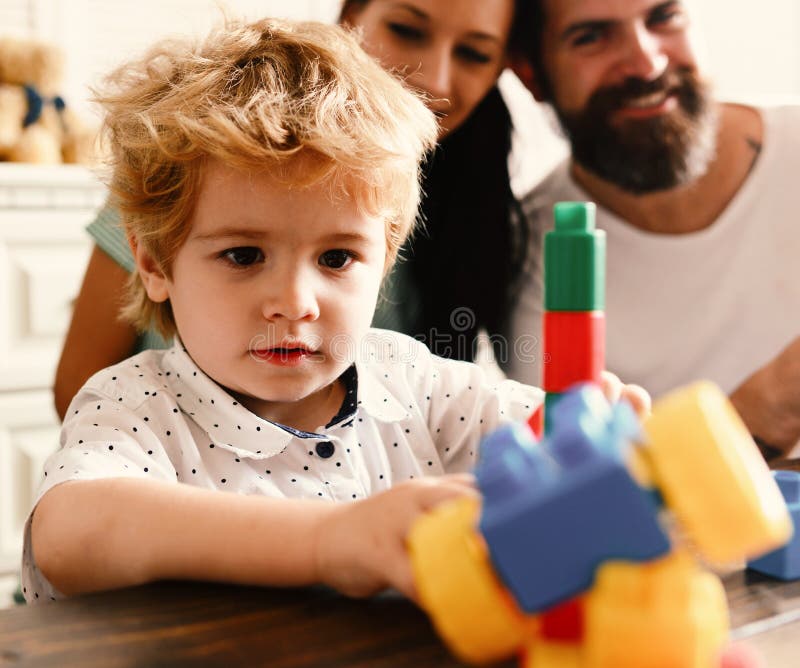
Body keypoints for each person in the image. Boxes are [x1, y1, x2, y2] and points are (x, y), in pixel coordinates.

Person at [21, 17, 553, 604]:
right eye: (244, 255)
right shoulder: (136, 406)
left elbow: (541, 436)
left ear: (384, 259)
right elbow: (69, 538)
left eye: (337, 257)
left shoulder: (414, 381)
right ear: (153, 263)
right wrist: (329, 540)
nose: (295, 303)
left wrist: (597, 427)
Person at [53, 0, 564, 421]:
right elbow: (80, 391)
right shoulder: (191, 161)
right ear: (350, 19)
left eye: (338, 258)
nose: (434, 76)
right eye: (244, 255)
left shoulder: (478, 222)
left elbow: (504, 412)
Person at [508, 0, 800, 456]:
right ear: (530, 74)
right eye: (591, 37)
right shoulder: (523, 253)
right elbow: (577, 496)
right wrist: (760, 412)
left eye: (663, 18)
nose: (646, 63)